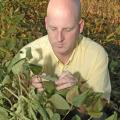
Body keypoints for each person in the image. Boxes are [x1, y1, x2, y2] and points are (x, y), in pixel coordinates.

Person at [18, 0, 111, 119]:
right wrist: (29, 92)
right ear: (46, 23)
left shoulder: (97, 55)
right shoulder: (26, 54)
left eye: (67, 29)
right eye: (53, 28)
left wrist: (75, 93)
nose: (59, 38)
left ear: (80, 26)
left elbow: (99, 110)